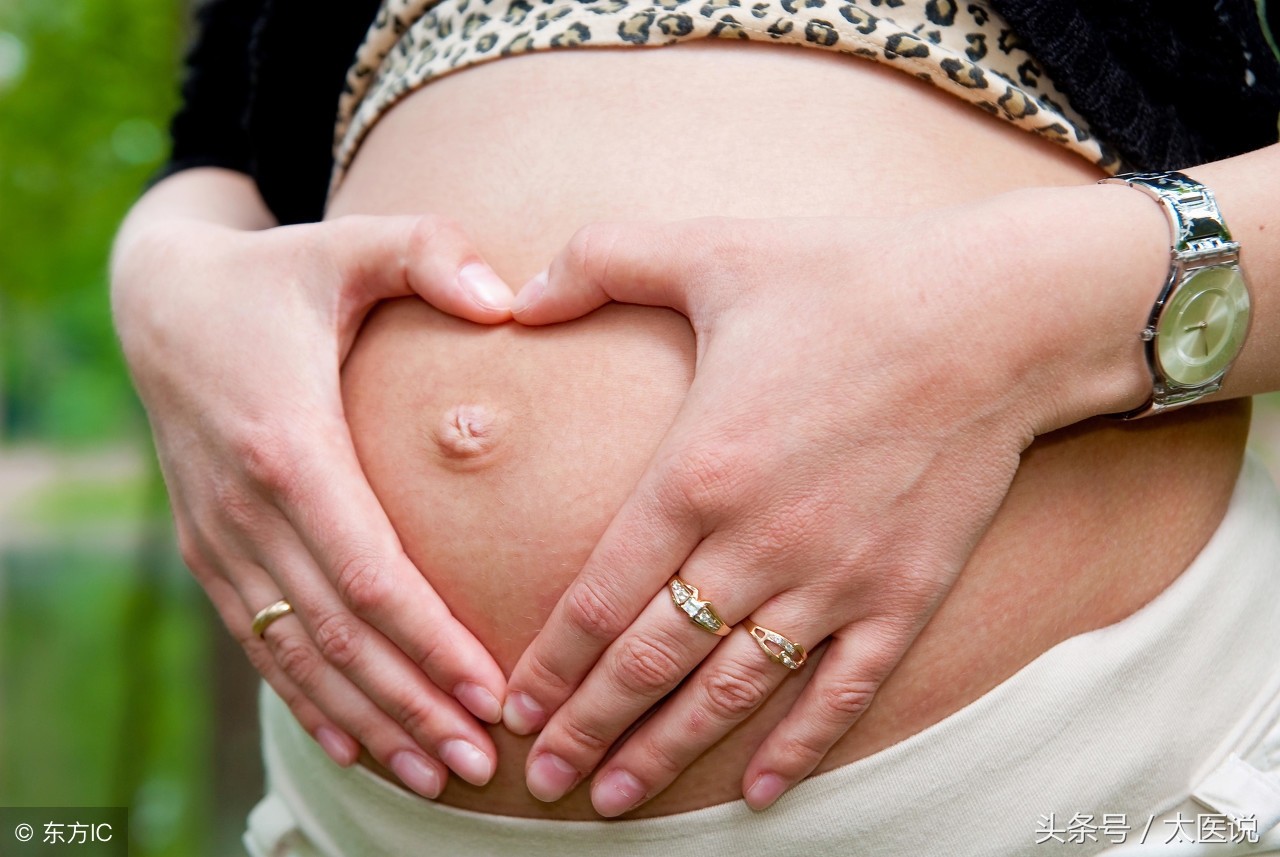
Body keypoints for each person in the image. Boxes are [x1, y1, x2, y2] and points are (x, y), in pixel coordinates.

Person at [110, 0, 1280, 852]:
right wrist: (160, 287)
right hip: (353, 814)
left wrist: (1013, 323)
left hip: (1082, 789)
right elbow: (215, 150)